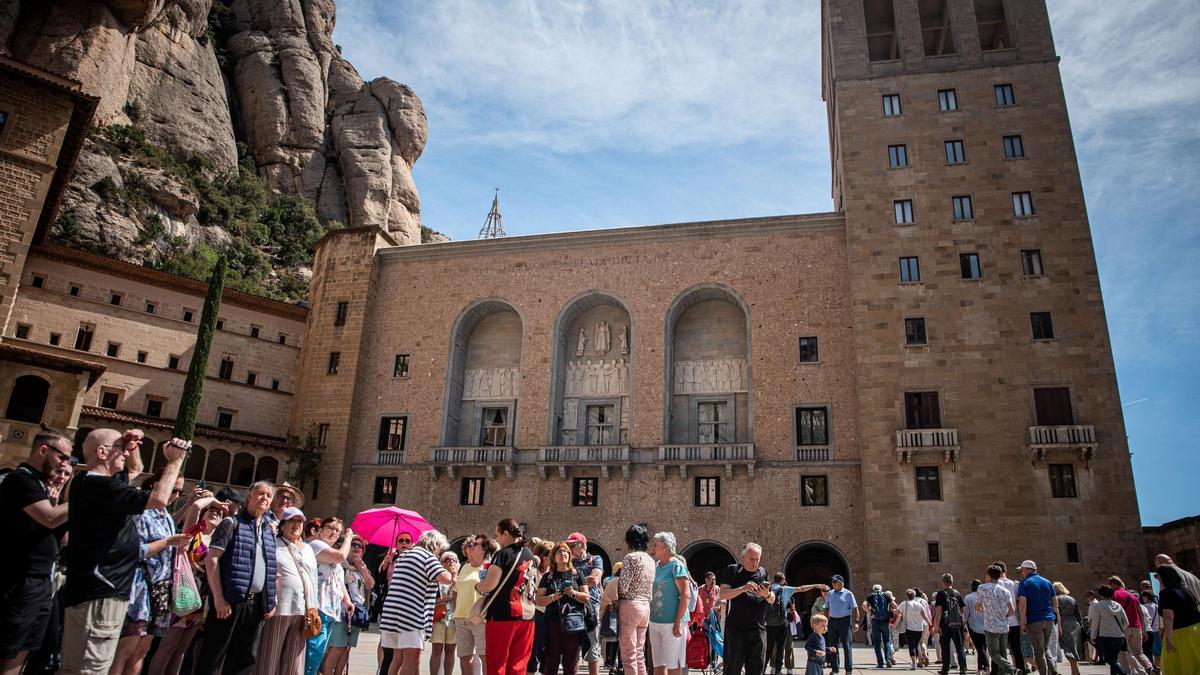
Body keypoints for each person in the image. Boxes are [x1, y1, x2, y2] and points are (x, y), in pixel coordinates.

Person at [59, 431, 187, 675]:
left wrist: (132, 446)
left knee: (93, 664)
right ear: (101, 452)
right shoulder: (99, 485)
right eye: (120, 448)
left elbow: (136, 468)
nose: (125, 453)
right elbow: (158, 499)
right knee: (89, 667)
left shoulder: (99, 484)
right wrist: (176, 460)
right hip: (100, 591)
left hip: (104, 590)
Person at [0, 427, 73, 675]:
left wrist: (57, 503)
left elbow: (62, 537)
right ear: (43, 450)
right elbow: (49, 518)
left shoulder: (42, 487)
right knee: (9, 649)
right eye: (63, 457)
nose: (65, 465)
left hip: (42, 581)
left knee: (27, 649)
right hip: (20, 579)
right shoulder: (21, 480)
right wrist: (86, 497)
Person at [193, 480, 279, 675]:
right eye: (260, 493)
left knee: (244, 661)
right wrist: (219, 598)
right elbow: (212, 560)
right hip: (229, 602)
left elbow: (270, 567)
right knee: (212, 657)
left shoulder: (268, 531)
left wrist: (270, 600)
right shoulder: (231, 523)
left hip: (256, 605)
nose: (264, 498)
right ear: (249, 495)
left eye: (268, 496)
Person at [110, 467, 190, 675]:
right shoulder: (141, 511)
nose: (175, 495)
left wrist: (178, 545)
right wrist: (168, 542)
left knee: (142, 650)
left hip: (160, 589)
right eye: (172, 489)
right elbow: (135, 551)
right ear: (156, 484)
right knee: (126, 648)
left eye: (179, 492)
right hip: (140, 588)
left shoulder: (166, 516)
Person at [150, 496, 228, 675]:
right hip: (182, 592)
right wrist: (213, 500)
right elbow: (195, 506)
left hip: (201, 598)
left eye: (219, 513)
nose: (215, 513)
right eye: (211, 510)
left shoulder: (219, 541)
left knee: (182, 649)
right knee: (167, 645)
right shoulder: (193, 534)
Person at [379, 529, 453, 675]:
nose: (439, 554)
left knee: (397, 658)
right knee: (411, 659)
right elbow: (446, 579)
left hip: (391, 612)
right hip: (410, 614)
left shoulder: (405, 555)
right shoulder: (428, 557)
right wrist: (450, 572)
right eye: (440, 550)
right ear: (435, 546)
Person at [257, 506, 318, 675]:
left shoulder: (308, 549)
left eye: (300, 521)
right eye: (292, 520)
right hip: (280, 608)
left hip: (304, 610)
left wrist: (313, 607)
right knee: (270, 658)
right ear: (282, 524)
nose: (297, 525)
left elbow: (313, 578)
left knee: (295, 663)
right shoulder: (274, 544)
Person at [475, 518, 537, 675]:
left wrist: (477, 586)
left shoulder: (503, 554)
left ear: (506, 534)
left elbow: (490, 585)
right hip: (527, 615)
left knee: (497, 663)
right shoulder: (530, 554)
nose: (497, 540)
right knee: (518, 665)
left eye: (497, 535)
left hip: (503, 614)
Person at [717, 543, 776, 675]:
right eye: (751, 559)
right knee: (732, 670)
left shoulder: (763, 572)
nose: (754, 563)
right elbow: (723, 594)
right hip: (736, 630)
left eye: (757, 559)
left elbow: (772, 599)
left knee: (757, 671)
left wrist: (766, 594)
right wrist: (743, 588)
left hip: (758, 630)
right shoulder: (732, 570)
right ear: (743, 558)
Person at [306, 517, 355, 675]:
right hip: (316, 609)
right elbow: (340, 556)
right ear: (320, 531)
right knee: (312, 653)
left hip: (331, 612)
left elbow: (339, 582)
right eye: (330, 528)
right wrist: (348, 537)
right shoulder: (316, 545)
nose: (334, 532)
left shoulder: (333, 555)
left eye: (337, 531)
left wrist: (347, 600)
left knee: (319, 653)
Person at [323, 535, 375, 675]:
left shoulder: (361, 567)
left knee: (346, 650)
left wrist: (361, 567)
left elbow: (370, 585)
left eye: (360, 546)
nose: (356, 548)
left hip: (356, 614)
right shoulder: (340, 564)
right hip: (341, 612)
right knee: (336, 648)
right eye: (353, 544)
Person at [606, 525, 654, 675]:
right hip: (645, 606)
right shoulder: (650, 560)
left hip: (630, 605)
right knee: (639, 653)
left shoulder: (630, 558)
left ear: (629, 540)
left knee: (628, 655)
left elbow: (623, 586)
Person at [537, 541, 590, 675]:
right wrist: (553, 597)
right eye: (559, 551)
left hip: (573, 623)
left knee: (570, 664)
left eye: (566, 551)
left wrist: (574, 593)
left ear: (570, 555)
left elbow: (586, 597)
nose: (563, 554)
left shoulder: (577, 575)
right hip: (553, 623)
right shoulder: (548, 577)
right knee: (551, 662)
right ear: (554, 557)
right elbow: (538, 600)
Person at [647, 532, 690, 675]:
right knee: (658, 666)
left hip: (672, 624)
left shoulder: (677, 566)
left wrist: (677, 623)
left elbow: (686, 595)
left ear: (665, 547)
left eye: (655, 545)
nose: (652, 548)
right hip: (655, 622)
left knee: (673, 666)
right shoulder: (656, 566)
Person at [455, 534, 498, 675]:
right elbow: (456, 591)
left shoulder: (489, 567)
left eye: (475, 544)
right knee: (464, 657)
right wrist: (456, 611)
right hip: (461, 617)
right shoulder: (465, 567)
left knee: (485, 656)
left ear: (484, 549)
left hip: (479, 618)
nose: (471, 546)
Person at [769, 575, 828, 674]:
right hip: (785, 622)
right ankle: (784, 668)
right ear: (783, 581)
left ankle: (774, 667)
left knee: (775, 646)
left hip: (772, 623)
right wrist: (816, 585)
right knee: (786, 645)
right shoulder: (786, 590)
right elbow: (801, 588)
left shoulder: (768, 588)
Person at [567, 532, 606, 675]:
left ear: (583, 545)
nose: (570, 548)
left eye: (573, 545)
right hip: (572, 608)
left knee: (592, 648)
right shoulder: (568, 562)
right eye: (569, 545)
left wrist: (573, 583)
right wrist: (584, 582)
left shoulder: (595, 559)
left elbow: (594, 580)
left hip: (591, 608)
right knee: (572, 649)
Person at [1156, 563, 1200, 674]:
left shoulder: (1166, 593)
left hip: (1180, 634)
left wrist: (1168, 638)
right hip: (1196, 630)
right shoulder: (1186, 590)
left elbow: (1168, 617)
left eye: (1158, 576)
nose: (1157, 579)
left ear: (1163, 577)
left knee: (1180, 666)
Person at [1106, 576, 1151, 675]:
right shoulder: (1133, 596)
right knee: (1138, 653)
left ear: (1114, 584)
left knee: (1122, 653)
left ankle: (1127, 672)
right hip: (1137, 627)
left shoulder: (1114, 595)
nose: (1108, 587)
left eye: (1109, 584)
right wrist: (1143, 630)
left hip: (1123, 628)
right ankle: (1150, 668)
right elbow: (1141, 614)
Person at [977, 565, 1015, 675]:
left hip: (991, 626)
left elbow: (977, 607)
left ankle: (1011, 669)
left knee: (993, 653)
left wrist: (985, 611)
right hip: (1004, 626)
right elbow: (1012, 610)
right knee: (1003, 654)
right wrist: (1003, 616)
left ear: (989, 576)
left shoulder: (982, 588)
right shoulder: (1005, 591)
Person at [991, 562, 1026, 673]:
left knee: (996, 651)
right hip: (1014, 621)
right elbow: (1019, 603)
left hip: (999, 622)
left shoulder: (994, 585)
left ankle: (996, 672)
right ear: (1005, 571)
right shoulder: (1014, 584)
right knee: (1016, 650)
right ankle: (1021, 670)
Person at [429, 550, 459, 675]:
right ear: (442, 563)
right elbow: (430, 598)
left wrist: (455, 579)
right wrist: (442, 599)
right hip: (439, 617)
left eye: (453, 559)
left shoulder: (460, 578)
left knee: (450, 650)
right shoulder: (438, 579)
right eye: (447, 559)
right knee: (437, 649)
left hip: (453, 617)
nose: (451, 561)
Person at [527, 539, 555, 675]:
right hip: (537, 614)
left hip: (551, 615)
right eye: (551, 555)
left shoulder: (554, 573)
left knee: (549, 653)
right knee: (534, 652)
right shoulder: (534, 572)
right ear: (543, 557)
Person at [1088, 585, 1129, 675]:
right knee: (1114, 659)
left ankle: (1123, 673)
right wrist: (1118, 629)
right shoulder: (1118, 605)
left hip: (1105, 636)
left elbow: (1095, 623)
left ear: (1100, 594)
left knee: (1109, 659)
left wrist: (1092, 636)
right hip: (1119, 637)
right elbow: (1126, 622)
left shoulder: (1098, 606)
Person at [933, 573, 968, 675]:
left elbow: (939, 610)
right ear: (952, 582)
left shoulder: (941, 594)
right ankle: (963, 669)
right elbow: (962, 609)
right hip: (957, 624)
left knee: (945, 647)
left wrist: (936, 626)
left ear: (943, 582)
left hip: (945, 625)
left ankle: (945, 669)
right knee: (959, 647)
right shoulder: (957, 593)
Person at [824, 575, 857, 674]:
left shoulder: (848, 594)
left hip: (844, 621)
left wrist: (856, 622)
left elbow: (855, 608)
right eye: (832, 582)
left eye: (835, 582)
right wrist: (824, 621)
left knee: (847, 646)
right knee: (833, 646)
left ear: (841, 583)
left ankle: (848, 670)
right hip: (832, 621)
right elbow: (826, 608)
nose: (833, 584)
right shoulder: (830, 593)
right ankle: (835, 669)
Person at [864, 584, 898, 669]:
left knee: (877, 643)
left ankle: (880, 663)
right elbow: (895, 606)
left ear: (873, 589)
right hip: (885, 621)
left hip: (875, 621)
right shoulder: (886, 595)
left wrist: (870, 613)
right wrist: (890, 610)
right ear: (881, 589)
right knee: (887, 641)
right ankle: (888, 658)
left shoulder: (870, 596)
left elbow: (863, 605)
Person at [1053, 582, 1082, 675]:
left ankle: (1074, 670)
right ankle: (1075, 671)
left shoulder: (1056, 599)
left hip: (1062, 624)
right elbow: (1078, 614)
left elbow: (1055, 613)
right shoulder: (1072, 599)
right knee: (1073, 647)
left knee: (1066, 647)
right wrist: (1081, 626)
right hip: (1074, 624)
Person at [897, 589, 929, 670]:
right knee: (917, 644)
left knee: (912, 646)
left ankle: (914, 663)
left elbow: (897, 612)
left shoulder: (904, 603)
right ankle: (922, 657)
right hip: (919, 628)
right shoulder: (919, 605)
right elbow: (925, 616)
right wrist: (930, 624)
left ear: (906, 595)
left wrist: (890, 609)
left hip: (909, 628)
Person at [963, 580, 989, 675]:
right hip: (986, 625)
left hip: (973, 625)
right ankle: (980, 668)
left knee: (979, 648)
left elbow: (965, 613)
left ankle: (986, 667)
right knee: (983, 648)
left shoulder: (968, 598)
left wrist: (964, 622)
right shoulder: (985, 596)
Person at [1138, 590, 1160, 672]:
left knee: (1148, 652)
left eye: (1143, 597)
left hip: (1149, 630)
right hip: (1157, 630)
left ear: (1146, 597)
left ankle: (1152, 668)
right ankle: (1158, 667)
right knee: (1158, 652)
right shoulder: (1157, 606)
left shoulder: (1144, 607)